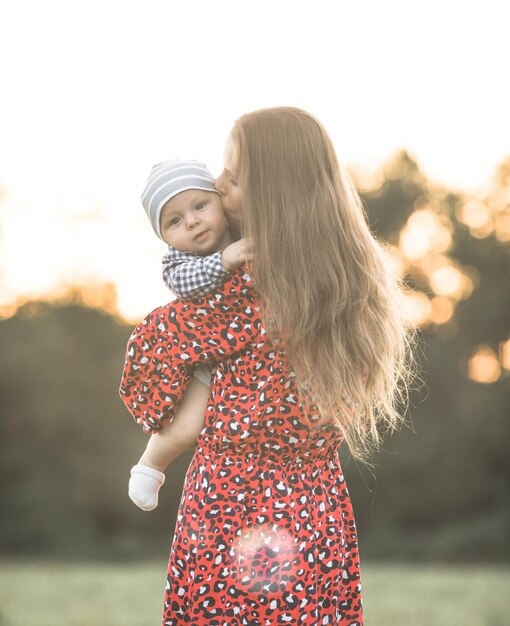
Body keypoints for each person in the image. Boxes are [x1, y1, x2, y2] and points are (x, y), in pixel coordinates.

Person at [120, 107, 416, 624]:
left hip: (234, 498)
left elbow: (155, 346)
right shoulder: (345, 279)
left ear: (271, 191)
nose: (217, 183)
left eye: (232, 177)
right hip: (315, 499)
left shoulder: (248, 285)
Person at [128, 160, 251, 511]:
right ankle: (151, 465)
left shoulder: (247, 232)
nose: (193, 221)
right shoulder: (178, 263)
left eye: (200, 206)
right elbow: (185, 285)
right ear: (166, 237)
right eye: (175, 221)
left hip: (259, 357)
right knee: (189, 426)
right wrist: (225, 260)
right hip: (209, 360)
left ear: (221, 203)